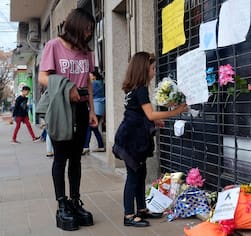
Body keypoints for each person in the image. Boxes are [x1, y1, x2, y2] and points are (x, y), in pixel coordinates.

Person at [38, 8, 98, 231]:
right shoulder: (54, 45)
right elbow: (43, 77)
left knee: (76, 158)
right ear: (76, 25)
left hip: (81, 108)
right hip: (61, 108)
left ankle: (75, 200)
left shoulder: (86, 52)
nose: (89, 33)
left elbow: (89, 83)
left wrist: (92, 110)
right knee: (60, 158)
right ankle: (61, 203)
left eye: (91, 30)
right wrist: (66, 86)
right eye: (87, 28)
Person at [112, 52, 187, 227]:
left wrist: (154, 121)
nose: (154, 72)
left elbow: (138, 114)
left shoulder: (132, 89)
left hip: (132, 137)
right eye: (152, 68)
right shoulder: (141, 90)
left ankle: (141, 209)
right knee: (133, 176)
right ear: (144, 69)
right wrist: (175, 112)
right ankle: (129, 215)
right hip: (132, 141)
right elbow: (149, 113)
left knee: (140, 173)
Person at [83, 68, 105, 154]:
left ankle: (86, 147)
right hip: (100, 108)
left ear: (94, 76)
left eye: (90, 75)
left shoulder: (94, 84)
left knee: (89, 128)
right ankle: (101, 146)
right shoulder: (101, 83)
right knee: (94, 128)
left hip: (95, 108)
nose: (89, 76)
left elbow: (89, 95)